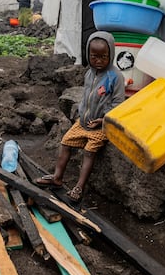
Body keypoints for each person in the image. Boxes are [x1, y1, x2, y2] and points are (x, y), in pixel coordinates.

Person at [35, 31, 126, 201]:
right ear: (88, 55)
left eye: (103, 56)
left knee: (89, 151)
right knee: (65, 142)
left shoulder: (116, 77)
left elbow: (118, 104)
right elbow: (86, 96)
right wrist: (81, 111)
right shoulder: (89, 73)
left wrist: (103, 119)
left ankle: (79, 187)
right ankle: (57, 178)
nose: (98, 60)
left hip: (101, 126)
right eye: (94, 56)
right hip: (84, 122)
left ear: (111, 54)